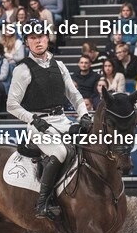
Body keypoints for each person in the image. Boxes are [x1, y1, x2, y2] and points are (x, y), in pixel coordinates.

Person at [6, 22, 91, 220]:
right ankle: (42, 202)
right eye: (33, 38)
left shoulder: (59, 65)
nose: (38, 41)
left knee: (88, 145)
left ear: (47, 38)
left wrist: (84, 114)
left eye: (41, 36)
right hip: (38, 125)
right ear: (27, 42)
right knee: (61, 151)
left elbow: (75, 95)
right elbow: (11, 105)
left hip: (62, 119)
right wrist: (32, 119)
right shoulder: (23, 69)